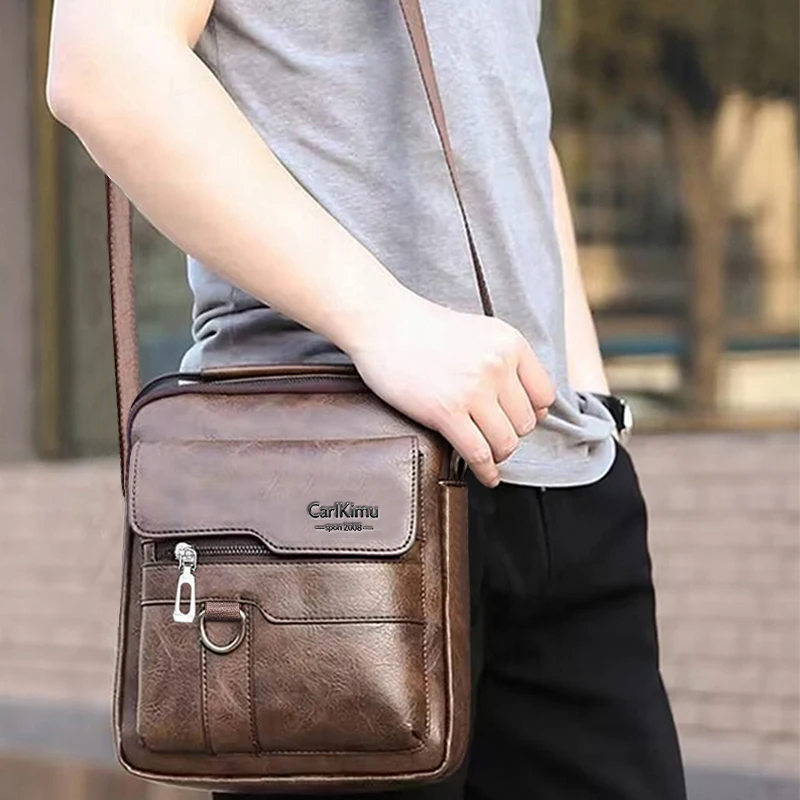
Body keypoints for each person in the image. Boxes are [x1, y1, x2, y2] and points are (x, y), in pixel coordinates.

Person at [47, 1, 686, 797]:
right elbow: (104, 65)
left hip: (560, 475)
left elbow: (508, 121)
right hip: (331, 498)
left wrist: (586, 394)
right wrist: (384, 322)